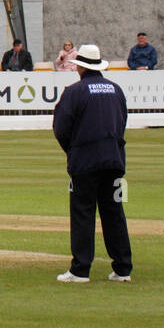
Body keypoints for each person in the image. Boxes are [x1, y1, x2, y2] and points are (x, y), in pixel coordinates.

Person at [52, 44, 133, 283]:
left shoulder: (74, 92)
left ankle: (80, 270)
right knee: (114, 213)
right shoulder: (116, 90)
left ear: (79, 66)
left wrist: (73, 150)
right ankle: (123, 268)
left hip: (85, 162)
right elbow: (122, 122)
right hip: (114, 160)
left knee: (82, 213)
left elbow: (61, 128)